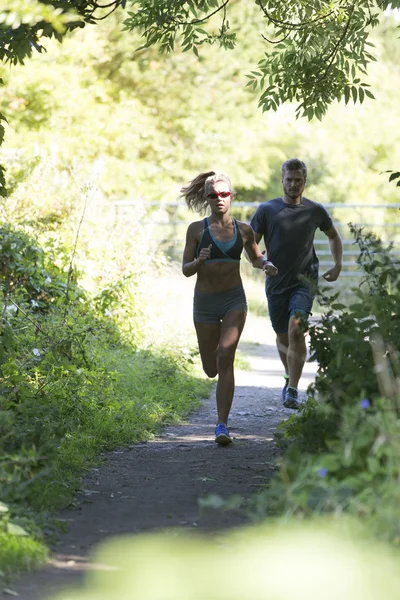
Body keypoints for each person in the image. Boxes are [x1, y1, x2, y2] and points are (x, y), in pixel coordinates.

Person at [181, 171, 270, 445]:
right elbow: (185, 270)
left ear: (231, 196)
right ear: (207, 198)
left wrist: (267, 265)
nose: (219, 199)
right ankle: (218, 398)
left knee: (226, 357)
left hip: (234, 300)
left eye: (224, 194)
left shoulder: (244, 230)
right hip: (205, 303)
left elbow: (256, 258)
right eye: (213, 195)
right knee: (211, 367)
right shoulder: (197, 229)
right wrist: (199, 261)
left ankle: (222, 425)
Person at [250, 158, 343, 409]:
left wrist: (337, 264)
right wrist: (262, 263)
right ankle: (288, 376)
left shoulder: (315, 210)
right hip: (276, 281)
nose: (293, 184)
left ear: (305, 182)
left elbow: (333, 235)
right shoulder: (266, 210)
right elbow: (252, 244)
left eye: (298, 180)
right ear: (282, 180)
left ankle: (292, 389)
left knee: (296, 328)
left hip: (304, 280)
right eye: (289, 180)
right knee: (282, 335)